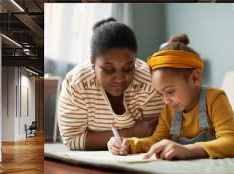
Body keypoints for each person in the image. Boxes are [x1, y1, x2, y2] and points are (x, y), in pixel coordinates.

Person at [107, 33, 234, 160]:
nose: (165, 100)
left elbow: (232, 142)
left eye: (170, 92)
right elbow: (157, 140)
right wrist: (129, 144)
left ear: (195, 79)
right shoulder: (169, 108)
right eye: (161, 94)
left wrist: (189, 150)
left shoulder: (215, 98)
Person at [58, 18, 163, 151]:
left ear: (135, 61)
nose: (119, 79)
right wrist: (131, 133)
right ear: (93, 62)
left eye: (128, 68)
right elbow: (72, 139)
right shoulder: (76, 85)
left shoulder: (149, 81)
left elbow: (156, 134)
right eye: (108, 69)